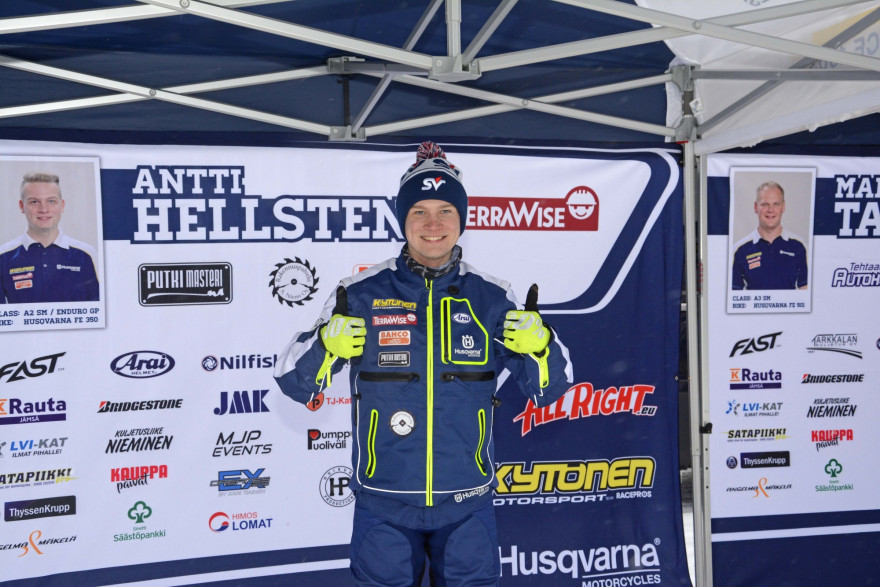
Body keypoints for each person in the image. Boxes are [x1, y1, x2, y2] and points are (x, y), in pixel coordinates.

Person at [274, 142, 573, 586]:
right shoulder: (359, 293)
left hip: (468, 505)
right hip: (383, 506)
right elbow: (292, 380)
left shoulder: (492, 296)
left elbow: (551, 390)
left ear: (461, 220)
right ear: (403, 221)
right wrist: (326, 346)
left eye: (445, 211)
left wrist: (541, 346)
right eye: (419, 212)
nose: (433, 225)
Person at [0, 172, 99, 303]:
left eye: (51, 201)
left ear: (62, 205)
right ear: (21, 206)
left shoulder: (86, 254)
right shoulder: (3, 256)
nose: (44, 209)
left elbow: (100, 309)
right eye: (34, 202)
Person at [731, 180, 808, 290]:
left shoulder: (799, 246)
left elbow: (805, 289)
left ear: (783, 207)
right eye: (765, 204)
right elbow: (734, 295)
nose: (770, 210)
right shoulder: (740, 250)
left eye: (776, 204)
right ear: (755, 207)